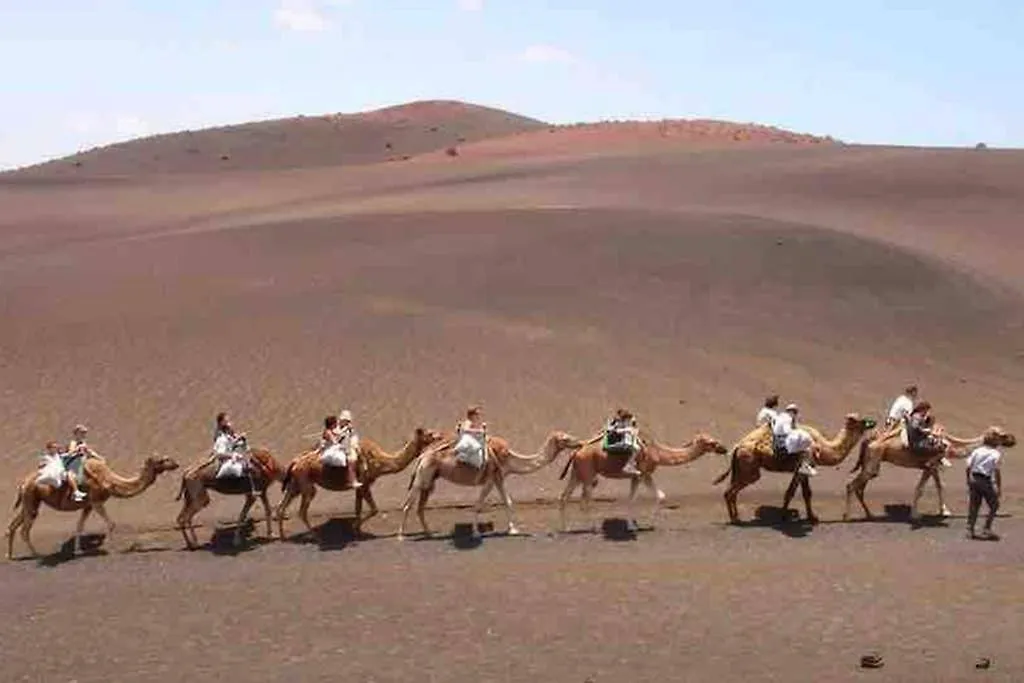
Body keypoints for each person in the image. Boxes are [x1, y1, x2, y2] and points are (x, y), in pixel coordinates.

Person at [964, 430, 1004, 540]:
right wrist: (998, 487)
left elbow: (968, 466)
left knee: (974, 505)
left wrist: (968, 479)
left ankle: (970, 529)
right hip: (985, 480)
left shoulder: (977, 451)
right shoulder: (996, 454)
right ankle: (987, 528)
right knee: (994, 505)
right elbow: (996, 471)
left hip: (974, 478)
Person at [771, 404, 818, 477]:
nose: (795, 416)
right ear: (792, 412)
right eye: (795, 413)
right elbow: (788, 431)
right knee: (807, 449)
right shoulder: (787, 419)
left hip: (776, 442)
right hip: (782, 446)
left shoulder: (780, 417)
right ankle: (804, 467)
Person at [905, 401, 950, 469]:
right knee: (943, 448)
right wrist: (926, 431)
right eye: (927, 410)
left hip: (918, 440)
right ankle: (929, 463)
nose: (927, 412)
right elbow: (916, 427)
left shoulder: (916, 416)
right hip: (918, 444)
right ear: (923, 409)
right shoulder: (917, 418)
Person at [603, 408, 642, 476]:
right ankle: (628, 466)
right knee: (636, 449)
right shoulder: (616, 422)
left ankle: (632, 464)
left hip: (622, 440)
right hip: (615, 442)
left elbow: (634, 431)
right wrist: (627, 430)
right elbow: (614, 431)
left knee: (637, 447)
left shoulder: (624, 423)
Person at [454, 405, 488, 470]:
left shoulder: (475, 423)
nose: (478, 416)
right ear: (472, 415)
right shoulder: (468, 422)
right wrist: (479, 431)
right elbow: (466, 430)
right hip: (468, 442)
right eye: (477, 414)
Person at [336, 410, 363, 489]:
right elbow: (338, 438)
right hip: (340, 449)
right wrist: (345, 430)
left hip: (348, 448)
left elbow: (354, 438)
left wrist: (356, 446)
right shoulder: (337, 429)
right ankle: (352, 480)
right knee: (351, 460)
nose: (345, 422)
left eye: (347, 421)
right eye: (344, 421)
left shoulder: (350, 430)